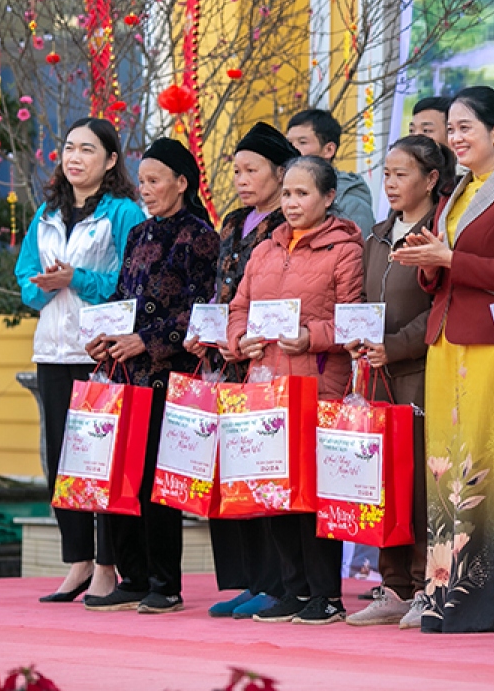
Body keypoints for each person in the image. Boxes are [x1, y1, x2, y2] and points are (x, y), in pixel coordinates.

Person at [392, 85, 494, 633]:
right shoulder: (457, 190)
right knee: (445, 472)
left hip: (489, 344)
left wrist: (448, 256)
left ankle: (488, 601)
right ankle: (443, 594)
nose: (455, 139)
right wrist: (427, 262)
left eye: (466, 129)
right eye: (451, 130)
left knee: (484, 469)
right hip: (445, 337)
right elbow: (440, 274)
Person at [82, 138, 220, 614]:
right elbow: (123, 297)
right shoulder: (139, 234)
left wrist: (147, 340)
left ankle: (166, 582)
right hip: (126, 371)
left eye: (155, 181)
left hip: (168, 373)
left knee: (157, 481)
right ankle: (133, 575)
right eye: (142, 182)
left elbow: (201, 310)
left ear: (182, 183)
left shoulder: (200, 235)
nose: (146, 190)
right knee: (121, 472)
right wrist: (105, 336)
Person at [225, 155, 363, 625]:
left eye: (303, 194)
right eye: (287, 193)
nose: (292, 202)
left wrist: (312, 337)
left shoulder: (344, 249)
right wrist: (238, 339)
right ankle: (293, 589)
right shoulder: (265, 249)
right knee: (274, 485)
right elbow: (238, 307)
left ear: (327, 198)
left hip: (317, 381)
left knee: (315, 492)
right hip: (266, 382)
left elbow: (352, 318)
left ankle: (326, 594)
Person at [15, 117, 144, 604]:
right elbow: (25, 273)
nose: (74, 157)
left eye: (87, 150)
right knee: (63, 462)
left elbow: (131, 282)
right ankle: (78, 562)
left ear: (110, 160)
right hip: (52, 349)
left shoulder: (124, 213)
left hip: (102, 353)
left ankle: (109, 566)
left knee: (103, 461)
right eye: (69, 147)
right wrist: (41, 286)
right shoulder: (46, 212)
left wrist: (77, 279)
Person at [184, 122, 297, 620]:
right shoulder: (232, 222)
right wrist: (204, 330)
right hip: (227, 355)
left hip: (266, 357)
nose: (242, 179)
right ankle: (249, 579)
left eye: (252, 170)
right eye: (236, 170)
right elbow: (219, 291)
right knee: (235, 474)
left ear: (280, 172)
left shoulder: (288, 223)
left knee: (265, 471)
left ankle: (276, 581)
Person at [344, 135, 455, 629]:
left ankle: (423, 585)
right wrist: (357, 337)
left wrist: (398, 346)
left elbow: (440, 308)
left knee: (420, 484)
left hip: (421, 375)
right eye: (386, 174)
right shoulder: (377, 235)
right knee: (382, 481)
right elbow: (368, 302)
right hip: (377, 375)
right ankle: (392, 586)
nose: (390, 184)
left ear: (431, 180)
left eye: (401, 174)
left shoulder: (440, 235)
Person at [286, 109, 375, 236]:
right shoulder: (281, 192)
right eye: (289, 143)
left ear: (328, 150)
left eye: (302, 142)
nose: (292, 149)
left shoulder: (351, 203)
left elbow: (360, 251)